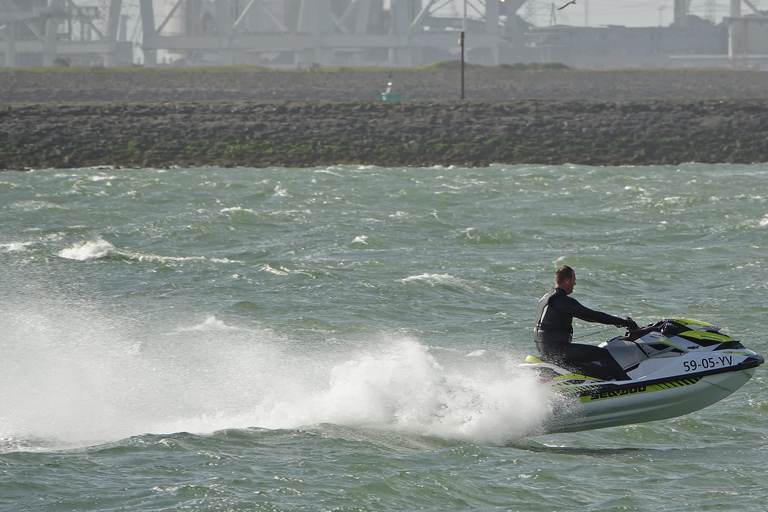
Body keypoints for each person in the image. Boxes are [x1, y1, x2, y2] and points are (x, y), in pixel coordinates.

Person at [534, 265, 639, 381]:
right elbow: (592, 316)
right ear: (567, 280)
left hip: (546, 349)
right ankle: (627, 383)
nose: (575, 284)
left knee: (598, 371)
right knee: (602, 354)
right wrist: (624, 322)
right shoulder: (561, 300)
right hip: (557, 350)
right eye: (574, 279)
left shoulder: (547, 298)